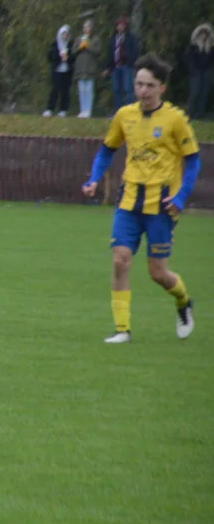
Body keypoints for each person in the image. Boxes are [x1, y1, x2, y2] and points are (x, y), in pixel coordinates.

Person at [81, 53, 199, 344]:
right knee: (120, 261)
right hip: (128, 201)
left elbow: (193, 161)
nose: (142, 90)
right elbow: (107, 149)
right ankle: (122, 330)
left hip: (161, 205)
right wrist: (94, 178)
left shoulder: (175, 120)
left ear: (162, 88)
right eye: (138, 84)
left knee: (158, 273)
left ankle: (183, 301)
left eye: (149, 85)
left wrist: (181, 196)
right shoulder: (125, 116)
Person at [104, 17, 139, 110]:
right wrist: (107, 67)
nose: (120, 27)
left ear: (125, 26)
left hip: (126, 66)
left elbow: (135, 51)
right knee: (116, 90)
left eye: (122, 25)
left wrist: (130, 62)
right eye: (118, 25)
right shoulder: (113, 38)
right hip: (115, 67)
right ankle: (117, 111)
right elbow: (110, 53)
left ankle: (129, 111)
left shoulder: (130, 37)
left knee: (128, 90)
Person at [43, 24, 74, 117]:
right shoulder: (55, 44)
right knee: (55, 89)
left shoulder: (70, 45)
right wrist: (59, 57)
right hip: (57, 70)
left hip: (67, 71)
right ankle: (50, 108)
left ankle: (63, 109)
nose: (65, 36)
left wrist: (67, 58)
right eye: (63, 34)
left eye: (66, 35)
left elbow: (73, 58)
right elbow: (50, 57)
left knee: (65, 90)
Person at [73, 20, 102, 118]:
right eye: (84, 27)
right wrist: (80, 47)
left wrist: (88, 47)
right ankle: (82, 110)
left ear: (91, 28)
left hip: (90, 68)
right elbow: (73, 52)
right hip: (80, 68)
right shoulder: (78, 39)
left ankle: (88, 110)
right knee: (81, 89)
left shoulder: (95, 39)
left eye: (88, 27)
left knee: (89, 89)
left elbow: (98, 51)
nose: (86, 29)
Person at [185, 23, 212, 119]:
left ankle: (201, 113)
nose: (203, 36)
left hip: (205, 73)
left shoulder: (209, 47)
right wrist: (193, 71)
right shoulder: (193, 46)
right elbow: (189, 59)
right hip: (195, 73)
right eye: (202, 33)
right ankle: (191, 113)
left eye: (206, 34)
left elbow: (210, 60)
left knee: (203, 93)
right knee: (195, 93)